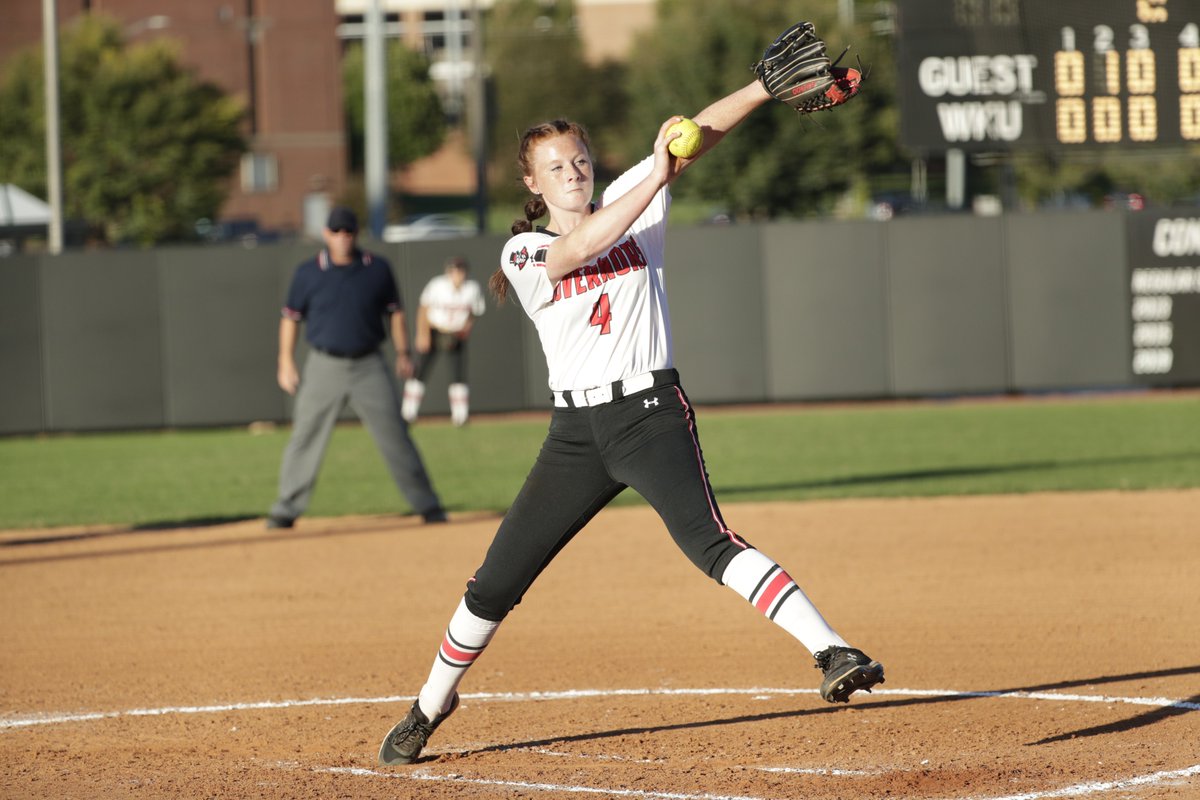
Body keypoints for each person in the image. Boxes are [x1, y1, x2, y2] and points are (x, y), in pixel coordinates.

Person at [378, 76, 883, 767]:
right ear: (532, 181)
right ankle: (429, 705)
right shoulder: (521, 253)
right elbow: (577, 250)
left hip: (649, 415)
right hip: (574, 437)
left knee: (710, 542)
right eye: (555, 166)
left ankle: (832, 650)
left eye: (581, 160)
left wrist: (763, 89)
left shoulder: (631, 202)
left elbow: (699, 129)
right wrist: (659, 176)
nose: (573, 172)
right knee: (497, 580)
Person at [266, 206, 447, 528]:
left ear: (355, 234)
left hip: (369, 365)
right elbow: (290, 318)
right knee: (305, 436)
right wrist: (284, 360)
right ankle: (286, 509)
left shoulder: (376, 269)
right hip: (324, 365)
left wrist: (403, 352)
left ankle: (428, 504)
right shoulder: (308, 272)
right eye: (336, 231)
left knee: (396, 436)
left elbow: (396, 313)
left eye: (348, 231)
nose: (342, 237)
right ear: (326, 235)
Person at [402, 256, 487, 426]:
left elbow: (476, 311)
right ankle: (408, 413)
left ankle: (460, 417)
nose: (457, 274)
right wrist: (422, 334)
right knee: (419, 372)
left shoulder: (472, 288)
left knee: (458, 374)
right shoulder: (437, 285)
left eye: (460, 270)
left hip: (456, 334)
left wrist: (466, 329)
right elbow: (423, 308)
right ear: (448, 271)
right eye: (454, 270)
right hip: (434, 331)